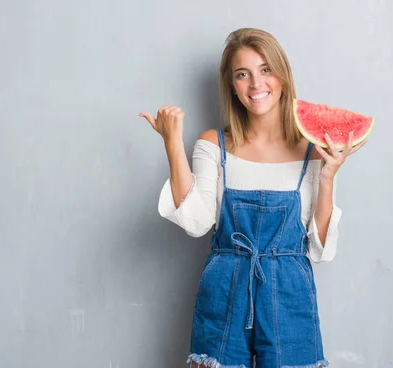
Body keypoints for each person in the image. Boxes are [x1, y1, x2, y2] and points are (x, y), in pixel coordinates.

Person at [139, 28, 366, 368]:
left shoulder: (313, 152)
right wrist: (172, 142)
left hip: (290, 287)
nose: (256, 84)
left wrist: (329, 176)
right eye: (242, 74)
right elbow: (197, 221)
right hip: (225, 284)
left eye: (265, 70)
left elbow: (319, 248)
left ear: (282, 76)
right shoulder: (213, 143)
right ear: (232, 86)